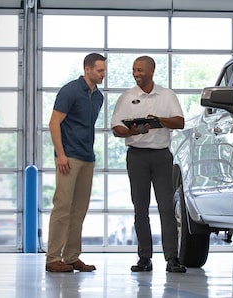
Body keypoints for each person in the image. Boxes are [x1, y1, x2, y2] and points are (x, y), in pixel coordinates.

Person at [110, 56, 186, 273]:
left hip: (162, 157)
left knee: (166, 209)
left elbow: (179, 122)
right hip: (137, 157)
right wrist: (131, 130)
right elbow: (116, 128)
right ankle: (144, 258)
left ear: (152, 71)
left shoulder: (167, 95)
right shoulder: (127, 97)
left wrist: (159, 120)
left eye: (141, 70)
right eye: (134, 70)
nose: (137, 74)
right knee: (140, 208)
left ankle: (172, 258)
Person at [45, 53, 106, 273]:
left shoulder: (98, 97)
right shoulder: (69, 91)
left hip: (87, 157)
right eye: (100, 70)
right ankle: (53, 258)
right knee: (62, 207)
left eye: (104, 70)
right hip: (68, 157)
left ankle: (71, 257)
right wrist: (60, 154)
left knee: (79, 210)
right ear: (87, 69)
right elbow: (54, 123)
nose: (103, 74)